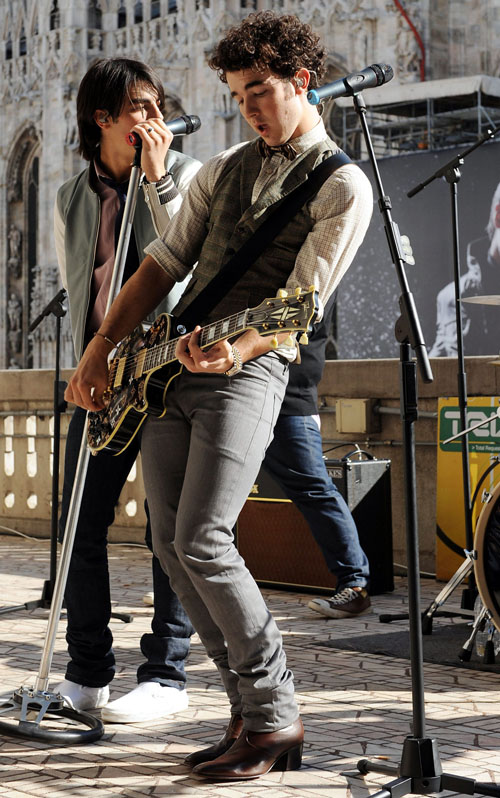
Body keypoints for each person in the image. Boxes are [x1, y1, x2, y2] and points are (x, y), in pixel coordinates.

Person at [65, 12, 373, 781]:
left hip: (252, 371)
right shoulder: (227, 166)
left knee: (203, 538)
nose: (249, 108)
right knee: (170, 544)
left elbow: (301, 305)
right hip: (175, 365)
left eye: (260, 90)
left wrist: (237, 348)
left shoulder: (343, 184)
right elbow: (163, 264)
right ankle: (247, 713)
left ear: (302, 81)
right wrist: (100, 348)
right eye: (238, 96)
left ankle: (274, 713)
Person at [53, 57, 201, 723]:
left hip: (166, 374)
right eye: (139, 107)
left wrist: (157, 179)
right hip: (104, 380)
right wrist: (88, 364)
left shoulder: (186, 176)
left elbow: (185, 260)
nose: (154, 117)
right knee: (79, 524)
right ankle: (86, 674)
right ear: (102, 118)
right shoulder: (71, 196)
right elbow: (82, 290)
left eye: (157, 105)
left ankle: (167, 674)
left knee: (166, 529)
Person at [262, 293, 372, 618]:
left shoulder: (317, 270)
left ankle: (355, 586)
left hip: (289, 399)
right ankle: (179, 585)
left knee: (315, 490)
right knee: (193, 490)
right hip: (235, 394)